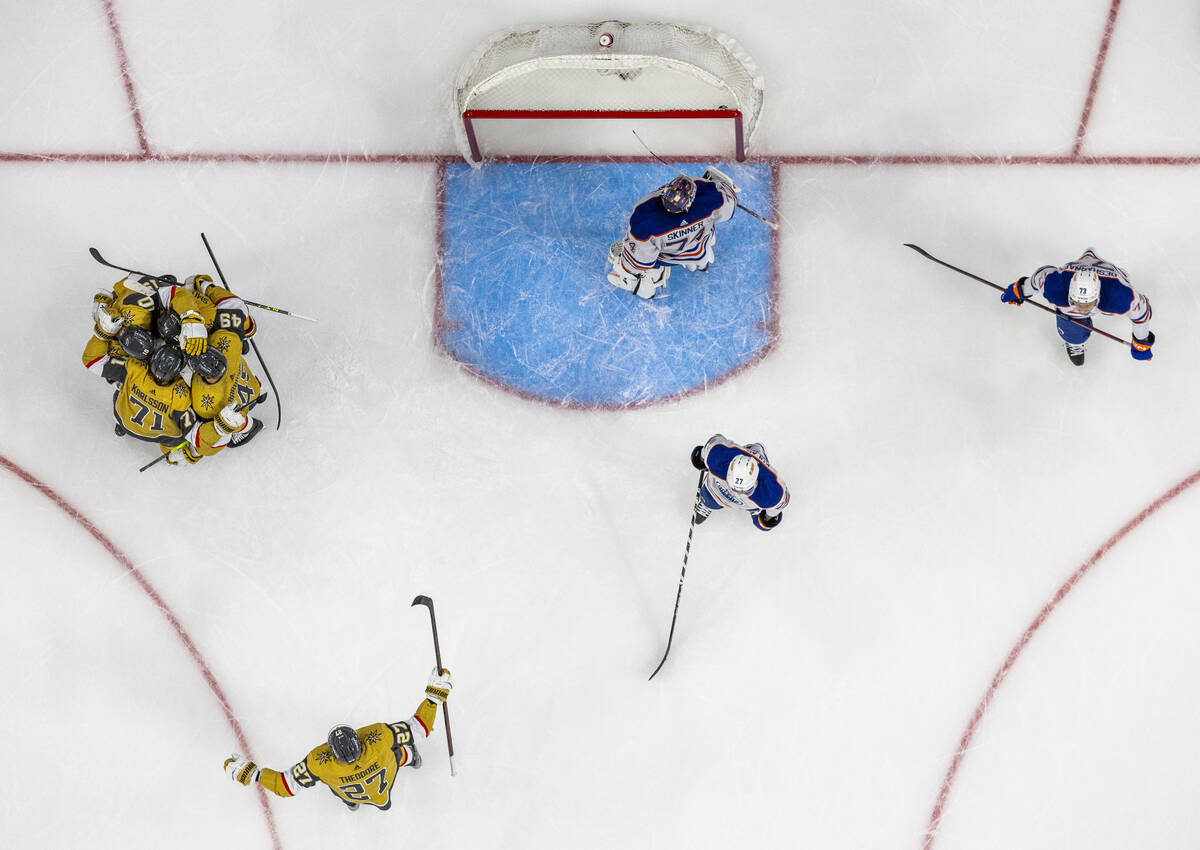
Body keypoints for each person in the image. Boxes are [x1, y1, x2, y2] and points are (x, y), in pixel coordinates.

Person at [223, 668, 453, 812]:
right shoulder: (379, 738)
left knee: (334, 784)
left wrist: (254, 775)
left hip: (347, 788)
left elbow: (286, 786)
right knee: (395, 754)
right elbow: (418, 729)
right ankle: (411, 758)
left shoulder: (319, 763)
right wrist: (433, 698)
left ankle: (351, 803)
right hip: (385, 782)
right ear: (358, 740)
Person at [1000, 248, 1154, 366]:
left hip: (1112, 275)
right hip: (1074, 272)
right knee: (1071, 324)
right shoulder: (1055, 286)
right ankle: (1074, 340)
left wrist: (1141, 340)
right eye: (1077, 303)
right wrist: (1020, 290)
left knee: (1125, 283)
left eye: (1087, 305)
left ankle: (1118, 274)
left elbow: (1142, 311)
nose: (1082, 309)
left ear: (1098, 295)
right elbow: (1037, 278)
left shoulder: (1119, 296)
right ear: (1070, 293)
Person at [606, 167, 740, 299]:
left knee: (634, 265)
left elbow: (638, 262)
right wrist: (719, 187)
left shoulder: (644, 220)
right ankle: (702, 265)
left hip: (671, 257)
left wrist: (625, 264)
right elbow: (729, 201)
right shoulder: (711, 199)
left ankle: (647, 287)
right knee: (702, 247)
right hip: (700, 247)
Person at [690, 434, 789, 530]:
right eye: (733, 488)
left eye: (745, 491)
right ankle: (708, 504)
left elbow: (777, 507)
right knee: (709, 498)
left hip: (750, 502)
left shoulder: (772, 493)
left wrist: (767, 518)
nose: (736, 493)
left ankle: (756, 451)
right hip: (716, 489)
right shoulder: (717, 456)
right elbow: (708, 449)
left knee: (759, 516)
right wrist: (702, 459)